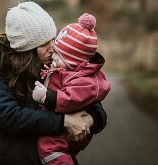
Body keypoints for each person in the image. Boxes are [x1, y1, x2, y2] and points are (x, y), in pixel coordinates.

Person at [0, 2, 107, 165]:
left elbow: (89, 97)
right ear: (26, 48)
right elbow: (7, 116)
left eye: (53, 39)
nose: (53, 48)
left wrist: (89, 120)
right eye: (43, 44)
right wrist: (64, 121)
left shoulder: (56, 62)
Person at [31, 13, 111, 165]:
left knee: (48, 149)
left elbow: (72, 98)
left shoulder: (82, 79)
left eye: (58, 54)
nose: (52, 56)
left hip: (65, 132)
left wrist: (47, 97)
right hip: (60, 126)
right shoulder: (67, 70)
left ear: (73, 61)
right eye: (54, 51)